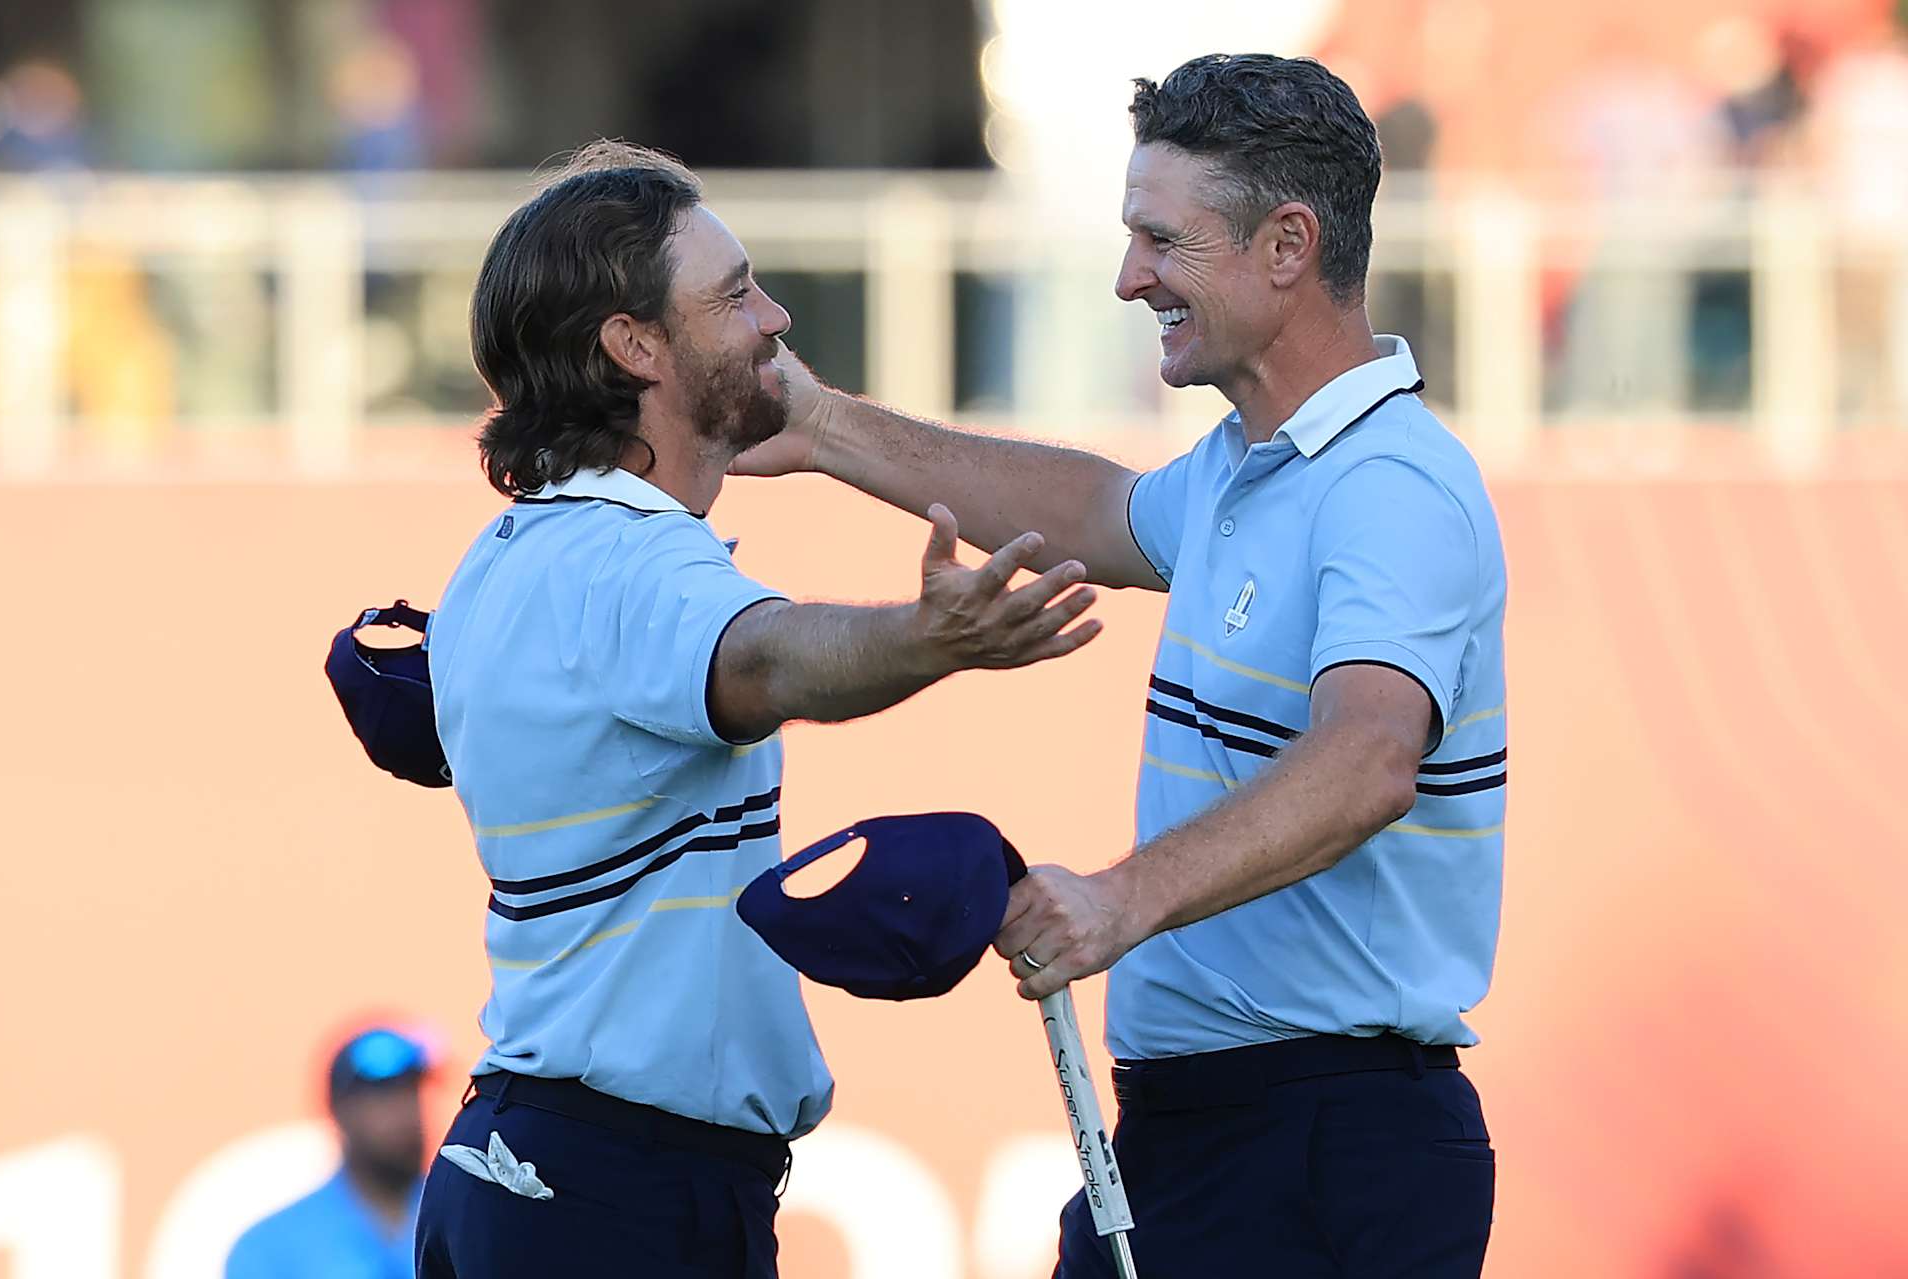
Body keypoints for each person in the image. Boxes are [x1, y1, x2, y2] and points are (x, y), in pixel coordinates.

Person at [736, 54, 1506, 1277]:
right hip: (1217, 1131)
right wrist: (829, 427)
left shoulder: (1391, 483)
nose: (1128, 277)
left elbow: (1369, 759)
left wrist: (1119, 899)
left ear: (1288, 246)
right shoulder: (1256, 462)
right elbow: (1096, 511)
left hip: (1319, 1137)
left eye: (1162, 240)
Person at [411, 141, 1099, 1279]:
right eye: (732, 294)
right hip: (615, 1197)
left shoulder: (527, 548)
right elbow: (762, 659)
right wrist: (932, 636)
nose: (772, 316)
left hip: (553, 1173)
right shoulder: (628, 562)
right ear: (634, 346)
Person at [225, 1027, 430, 1279]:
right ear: (339, 1110)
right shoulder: (270, 1248)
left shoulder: (464, 1215)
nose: (404, 1112)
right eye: (383, 1096)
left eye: (411, 1090)